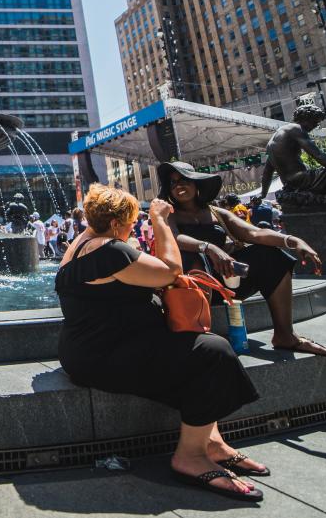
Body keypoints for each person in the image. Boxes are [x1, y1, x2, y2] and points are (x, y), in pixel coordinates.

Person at [55, 185, 263, 501]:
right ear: (115, 224)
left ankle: (213, 442)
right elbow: (170, 270)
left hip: (91, 349)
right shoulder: (111, 252)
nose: (131, 229)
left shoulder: (81, 244)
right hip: (104, 355)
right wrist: (160, 221)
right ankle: (190, 457)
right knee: (213, 352)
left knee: (193, 350)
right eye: (129, 222)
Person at [158, 162, 326, 358]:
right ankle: (198, 337)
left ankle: (285, 335)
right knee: (192, 257)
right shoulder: (169, 216)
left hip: (228, 281)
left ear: (196, 183)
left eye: (183, 180)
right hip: (193, 287)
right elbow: (174, 238)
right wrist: (209, 248)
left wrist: (292, 240)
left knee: (271, 255)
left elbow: (254, 233)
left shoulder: (217, 212)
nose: (178, 185)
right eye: (173, 182)